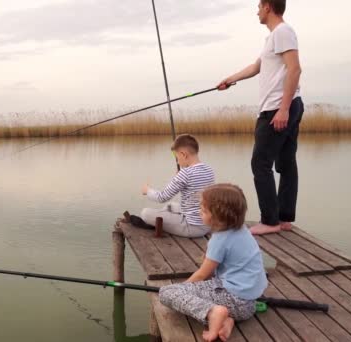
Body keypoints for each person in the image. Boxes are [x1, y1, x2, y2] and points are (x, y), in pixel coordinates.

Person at [217, 0, 304, 235]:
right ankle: (284, 218)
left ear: (268, 7)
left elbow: (295, 69)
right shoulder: (274, 37)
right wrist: (230, 79)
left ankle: (270, 221)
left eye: (258, 6)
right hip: (286, 106)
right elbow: (256, 67)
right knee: (286, 163)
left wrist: (283, 109)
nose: (256, 11)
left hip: (277, 108)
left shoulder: (283, 32)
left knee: (260, 164)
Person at [159, 184, 267, 341]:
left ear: (218, 216)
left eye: (203, 211)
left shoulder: (220, 240)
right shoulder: (242, 230)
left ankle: (213, 313)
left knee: (166, 292)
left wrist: (183, 288)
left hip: (233, 299)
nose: (199, 212)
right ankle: (227, 320)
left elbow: (204, 273)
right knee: (200, 294)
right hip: (249, 305)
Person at [140, 134, 214, 238]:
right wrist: (178, 177)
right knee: (170, 206)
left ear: (183, 154)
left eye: (177, 157)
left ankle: (162, 221)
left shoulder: (185, 173)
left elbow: (162, 197)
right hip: (206, 224)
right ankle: (166, 218)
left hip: (192, 227)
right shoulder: (209, 169)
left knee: (145, 213)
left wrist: (147, 191)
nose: (177, 161)